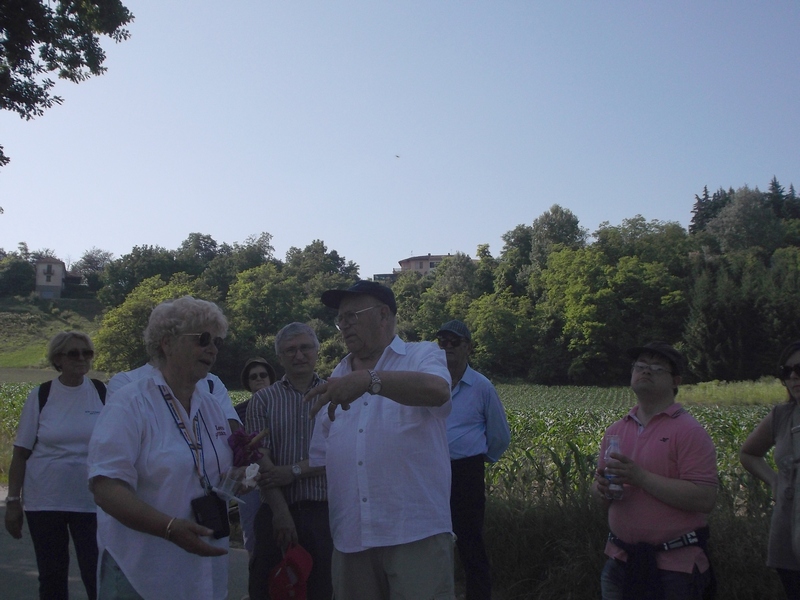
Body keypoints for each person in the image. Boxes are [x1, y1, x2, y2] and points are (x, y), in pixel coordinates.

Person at [306, 280, 455, 600]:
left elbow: (439, 392)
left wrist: (371, 380)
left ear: (384, 314)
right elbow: (321, 457)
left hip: (415, 533)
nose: (343, 326)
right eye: (340, 319)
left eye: (352, 316)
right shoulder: (338, 377)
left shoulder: (421, 354)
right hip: (351, 538)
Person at [87, 296, 234, 600]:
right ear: (167, 343)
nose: (213, 349)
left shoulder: (210, 406)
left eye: (217, 341)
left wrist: (237, 479)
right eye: (203, 339)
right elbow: (106, 488)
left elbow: (212, 471)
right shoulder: (130, 404)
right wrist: (169, 528)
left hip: (200, 570)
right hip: (142, 572)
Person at [592, 341, 718, 600]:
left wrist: (641, 478)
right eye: (640, 366)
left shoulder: (689, 432)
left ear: (675, 381)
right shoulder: (616, 431)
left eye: (656, 368)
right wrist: (601, 488)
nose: (646, 372)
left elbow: (704, 498)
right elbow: (601, 496)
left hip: (675, 568)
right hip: (619, 560)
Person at [4, 331, 104, 600]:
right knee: (52, 577)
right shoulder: (42, 395)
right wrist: (14, 501)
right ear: (58, 358)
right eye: (74, 353)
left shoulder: (101, 392)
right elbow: (20, 454)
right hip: (45, 501)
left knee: (96, 575)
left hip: (91, 501)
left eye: (87, 352)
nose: (81, 358)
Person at [245, 323, 332, 600]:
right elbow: (259, 457)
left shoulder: (334, 395)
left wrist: (293, 471)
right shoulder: (262, 400)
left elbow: (338, 454)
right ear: (279, 357)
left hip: (323, 512)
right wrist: (281, 514)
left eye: (305, 347)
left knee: (319, 589)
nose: (299, 355)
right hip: (274, 511)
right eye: (290, 350)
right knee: (268, 588)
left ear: (317, 351)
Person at [437, 319, 511, 600]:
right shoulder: (430, 383)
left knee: (470, 542)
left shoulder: (482, 387)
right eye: (442, 342)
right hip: (432, 471)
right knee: (433, 541)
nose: (447, 348)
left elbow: (500, 435)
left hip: (466, 472)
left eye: (454, 342)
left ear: (467, 347)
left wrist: (481, 456)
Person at [740, 340, 800, 599]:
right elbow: (749, 453)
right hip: (788, 538)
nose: (794, 376)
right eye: (787, 372)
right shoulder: (782, 416)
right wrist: (775, 481)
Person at [107, 355, 241, 434]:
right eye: (199, 339)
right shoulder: (125, 381)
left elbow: (233, 431)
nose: (211, 349)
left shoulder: (211, 381)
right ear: (167, 341)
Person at [234, 356, 277, 559]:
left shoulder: (281, 406)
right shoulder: (237, 412)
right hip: (250, 479)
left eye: (263, 375)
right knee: (251, 532)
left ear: (270, 378)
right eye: (253, 377)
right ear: (247, 382)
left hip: (277, 474)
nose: (259, 379)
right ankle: (255, 586)